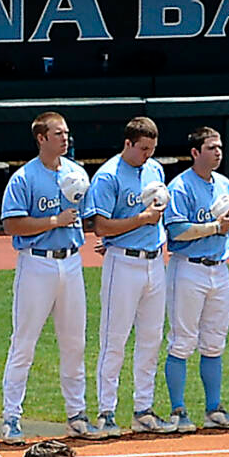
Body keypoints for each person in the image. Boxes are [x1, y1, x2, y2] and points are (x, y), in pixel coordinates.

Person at [0, 111, 95, 443]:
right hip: (36, 263)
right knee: (24, 342)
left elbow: (88, 216)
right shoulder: (24, 178)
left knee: (74, 342)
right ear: (41, 138)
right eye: (58, 133)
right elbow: (11, 224)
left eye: (67, 132)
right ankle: (11, 417)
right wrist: (54, 220)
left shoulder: (77, 173)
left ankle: (77, 415)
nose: (65, 138)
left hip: (70, 262)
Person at [85, 117, 171, 436]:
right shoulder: (108, 176)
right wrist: (142, 219)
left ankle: (143, 409)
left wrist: (152, 222)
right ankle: (106, 411)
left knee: (151, 338)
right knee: (114, 339)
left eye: (152, 149)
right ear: (128, 143)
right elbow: (101, 226)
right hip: (123, 263)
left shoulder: (155, 170)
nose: (148, 155)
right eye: (143, 149)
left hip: (153, 261)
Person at [160, 126, 229, 430]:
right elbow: (177, 231)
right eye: (211, 147)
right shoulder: (180, 187)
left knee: (215, 341)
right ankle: (178, 410)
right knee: (182, 341)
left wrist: (220, 228)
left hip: (219, 267)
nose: (218, 152)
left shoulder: (224, 183)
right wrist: (213, 228)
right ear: (195, 152)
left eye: (219, 147)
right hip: (188, 268)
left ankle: (214, 408)